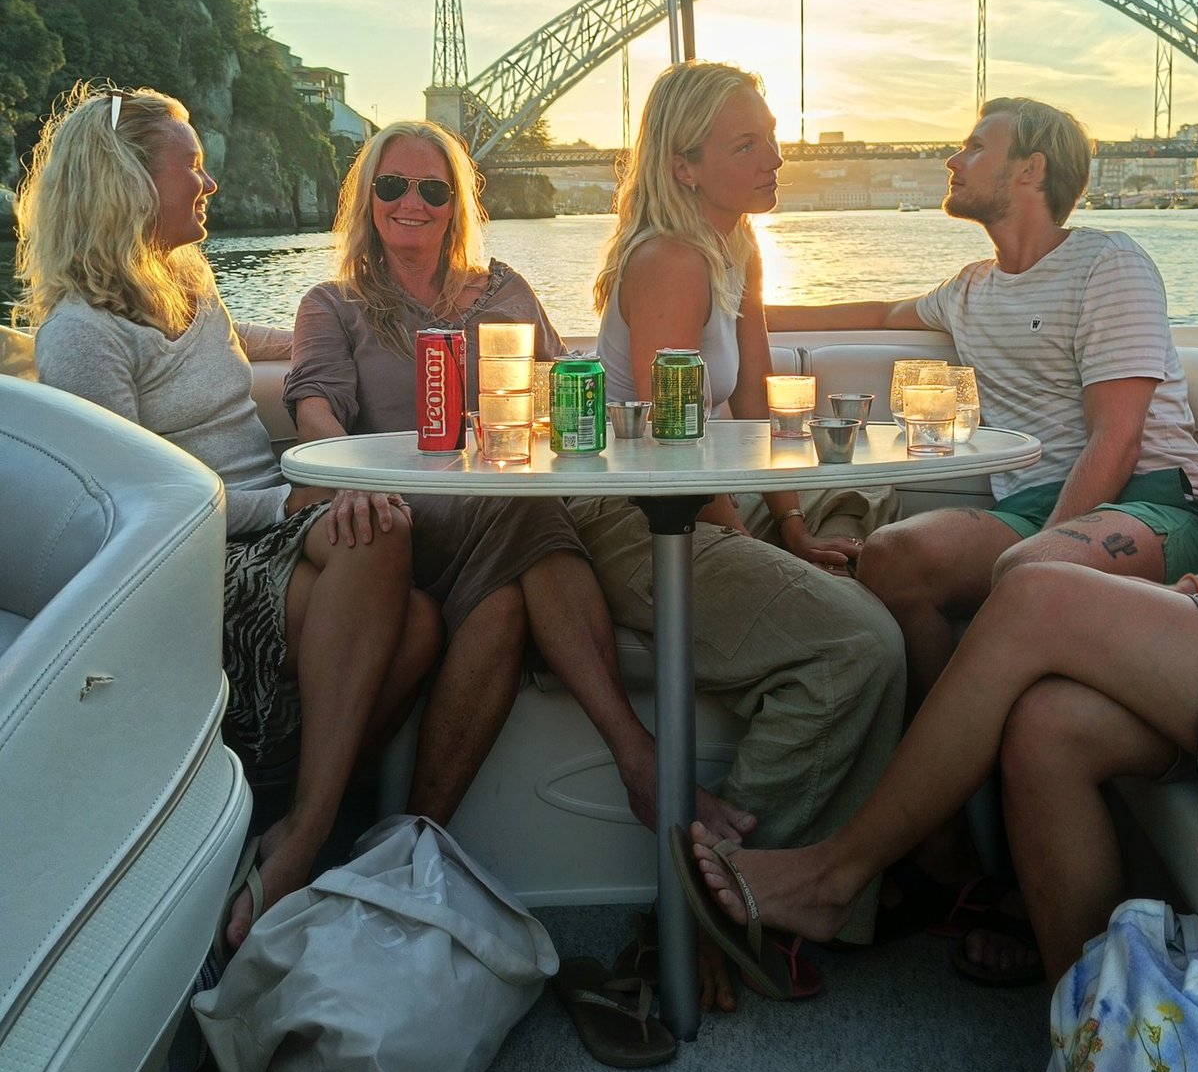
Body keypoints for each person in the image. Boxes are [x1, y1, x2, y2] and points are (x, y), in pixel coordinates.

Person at [682, 0, 1198, 1072]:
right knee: (1045, 725)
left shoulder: (1148, 272)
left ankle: (835, 873)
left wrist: (1183, 602)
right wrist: (1194, 607)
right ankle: (1088, 1060)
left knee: (1036, 586)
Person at [767, 93, 1198, 968]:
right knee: (895, 558)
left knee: (1024, 580)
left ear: (1031, 170)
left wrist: (1035, 561)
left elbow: (1118, 438)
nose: (953, 158)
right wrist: (740, 305)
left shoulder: (1109, 264)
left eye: (975, 145)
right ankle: (955, 844)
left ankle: (873, 863)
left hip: (1155, 503)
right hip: (1041, 507)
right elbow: (874, 313)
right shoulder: (970, 290)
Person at [17, 84, 442, 947]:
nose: (208, 186)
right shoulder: (81, 335)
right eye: (193, 168)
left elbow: (244, 347)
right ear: (129, 181)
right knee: (384, 530)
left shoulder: (183, 280)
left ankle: (278, 823)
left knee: (425, 622)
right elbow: (132, 515)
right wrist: (290, 500)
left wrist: (334, 331)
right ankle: (309, 832)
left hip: (271, 521)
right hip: (196, 559)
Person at [285, 118, 750, 846]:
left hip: (507, 515)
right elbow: (315, 406)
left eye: (433, 188)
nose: (413, 201)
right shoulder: (332, 303)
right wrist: (355, 481)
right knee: (525, 518)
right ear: (367, 199)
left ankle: (407, 842)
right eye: (393, 185)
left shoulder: (505, 290)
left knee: (504, 603)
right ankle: (638, 755)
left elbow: (564, 382)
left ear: (456, 204)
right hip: (405, 521)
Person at [575, 62, 907, 1002]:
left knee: (891, 571)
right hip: (647, 524)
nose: (776, 156)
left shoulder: (736, 245)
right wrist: (762, 540)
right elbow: (681, 450)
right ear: (684, 166)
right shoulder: (672, 262)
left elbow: (753, 406)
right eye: (747, 143)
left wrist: (794, 529)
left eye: (771, 134)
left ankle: (830, 890)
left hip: (715, 496)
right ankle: (709, 901)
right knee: (861, 642)